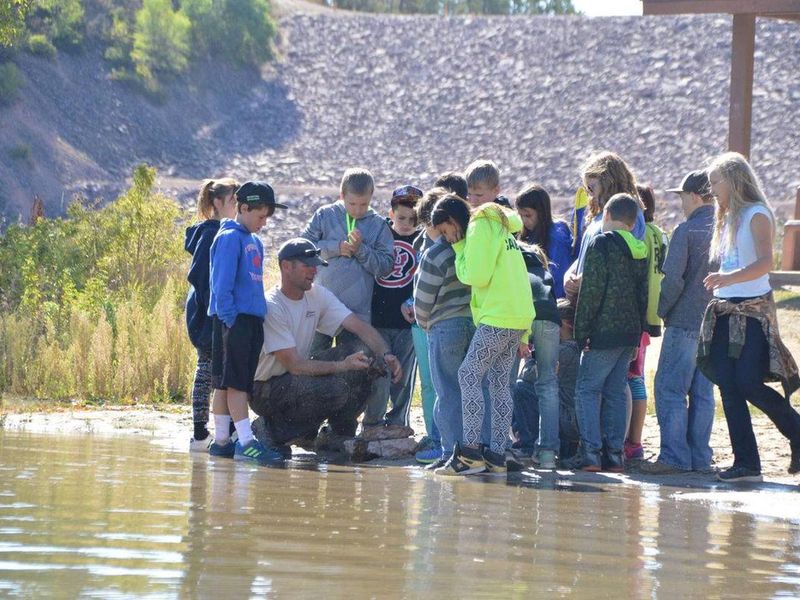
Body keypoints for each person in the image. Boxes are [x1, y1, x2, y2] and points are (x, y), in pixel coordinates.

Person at [698, 152, 800, 482]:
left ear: (734, 180)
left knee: (747, 382)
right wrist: (723, 282)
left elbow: (765, 264)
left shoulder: (757, 214)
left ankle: (797, 433)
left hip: (752, 311)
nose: (711, 188)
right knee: (727, 384)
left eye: (716, 181)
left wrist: (728, 278)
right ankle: (747, 464)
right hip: (725, 309)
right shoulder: (726, 217)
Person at [250, 238, 402, 455]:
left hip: (294, 378)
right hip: (266, 389)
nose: (313, 271)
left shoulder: (316, 294)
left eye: (315, 265)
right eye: (307, 265)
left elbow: (358, 326)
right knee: (336, 388)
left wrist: (386, 354)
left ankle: (337, 435)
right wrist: (344, 365)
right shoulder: (272, 305)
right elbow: (295, 366)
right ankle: (272, 431)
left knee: (368, 358)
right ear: (286, 266)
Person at [431, 195, 535, 476]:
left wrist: (461, 246)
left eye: (445, 231)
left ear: (452, 221)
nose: (447, 238)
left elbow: (475, 276)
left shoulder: (478, 227)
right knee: (499, 383)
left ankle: (470, 454)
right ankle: (497, 456)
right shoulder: (501, 227)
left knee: (468, 375)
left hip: (498, 315)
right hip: (517, 315)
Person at [565, 194, 648, 473]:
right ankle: (614, 455)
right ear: (633, 221)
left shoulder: (601, 244)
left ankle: (590, 453)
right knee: (614, 391)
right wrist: (638, 336)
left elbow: (592, 292)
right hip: (628, 334)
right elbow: (642, 296)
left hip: (602, 332)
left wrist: (581, 332)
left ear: (607, 217)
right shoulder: (640, 248)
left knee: (586, 390)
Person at [642, 170, 717, 475]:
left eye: (683, 196)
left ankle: (674, 457)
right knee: (703, 392)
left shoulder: (686, 231)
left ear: (695, 196)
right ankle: (699, 459)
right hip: (713, 325)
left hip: (684, 321)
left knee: (670, 388)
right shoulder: (725, 231)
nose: (682, 202)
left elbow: (672, 279)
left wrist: (661, 310)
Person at [207, 181, 287, 463]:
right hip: (234, 320)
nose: (264, 222)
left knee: (228, 382)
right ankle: (245, 441)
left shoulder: (254, 241)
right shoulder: (229, 238)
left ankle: (220, 441)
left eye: (267, 217)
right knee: (235, 383)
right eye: (260, 216)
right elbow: (221, 284)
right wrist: (229, 319)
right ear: (243, 208)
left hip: (250, 320)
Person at [412, 188, 474, 467]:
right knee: (471, 389)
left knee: (447, 391)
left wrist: (425, 325)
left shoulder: (435, 254)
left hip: (443, 327)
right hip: (473, 324)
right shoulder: (472, 248)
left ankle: (451, 452)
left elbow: (422, 301)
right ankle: (474, 450)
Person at [363, 186, 423, 431]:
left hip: (407, 321)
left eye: (413, 219)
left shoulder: (423, 241)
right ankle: (372, 422)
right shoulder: (381, 235)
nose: (407, 224)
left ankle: (398, 421)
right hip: (377, 317)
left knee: (404, 377)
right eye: (401, 218)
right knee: (378, 373)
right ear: (391, 213)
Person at [185, 178, 238, 451]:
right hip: (206, 315)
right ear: (217, 203)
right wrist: (213, 311)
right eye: (233, 201)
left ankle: (218, 430)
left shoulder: (221, 231)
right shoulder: (211, 234)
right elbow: (201, 277)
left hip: (209, 311)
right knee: (208, 369)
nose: (237, 206)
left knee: (217, 370)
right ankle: (200, 433)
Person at [301, 168, 394, 325]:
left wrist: (360, 249)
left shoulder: (378, 225)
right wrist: (336, 248)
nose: (357, 210)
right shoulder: (324, 215)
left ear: (371, 197)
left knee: (357, 350)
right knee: (313, 350)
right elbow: (303, 250)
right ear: (342, 195)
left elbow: (386, 267)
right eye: (352, 203)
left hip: (358, 314)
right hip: (320, 306)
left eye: (364, 204)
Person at [563, 151, 646, 304]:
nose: (589, 193)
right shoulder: (600, 214)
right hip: (589, 298)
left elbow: (620, 259)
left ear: (607, 181)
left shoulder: (629, 212)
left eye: (591, 187)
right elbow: (590, 252)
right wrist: (571, 273)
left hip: (609, 306)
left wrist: (586, 278)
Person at [624, 184, 669, 460]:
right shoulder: (661, 235)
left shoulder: (641, 236)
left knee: (633, 376)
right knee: (637, 374)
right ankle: (634, 442)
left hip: (637, 314)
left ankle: (634, 443)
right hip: (653, 313)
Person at [510, 243, 561, 469]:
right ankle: (548, 452)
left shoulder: (513, 268)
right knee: (548, 384)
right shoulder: (545, 272)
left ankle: (502, 445)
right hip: (550, 319)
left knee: (507, 382)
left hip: (521, 317)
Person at [515, 184, 574, 298]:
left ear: (542, 212)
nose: (524, 221)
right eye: (520, 215)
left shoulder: (557, 237)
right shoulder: (527, 233)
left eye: (528, 215)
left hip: (553, 301)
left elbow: (559, 276)